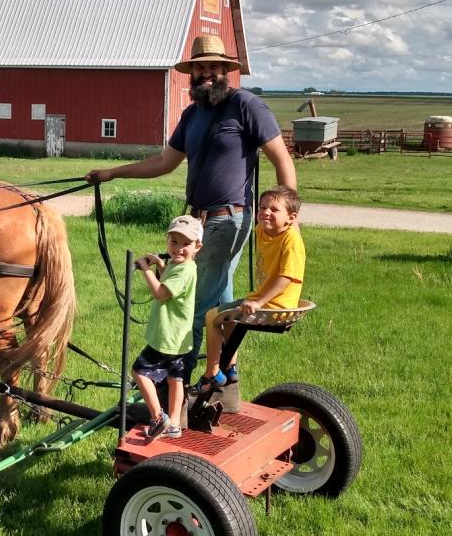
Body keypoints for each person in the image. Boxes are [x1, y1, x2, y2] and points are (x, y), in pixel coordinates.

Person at [86, 34, 297, 381]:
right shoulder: (192, 115)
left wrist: (290, 215)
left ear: (226, 70)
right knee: (220, 304)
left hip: (229, 220)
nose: (207, 73)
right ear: (192, 73)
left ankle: (178, 384)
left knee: (195, 306)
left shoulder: (245, 105)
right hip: (197, 224)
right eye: (201, 67)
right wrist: (111, 173)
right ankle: (225, 376)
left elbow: (281, 159)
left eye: (214, 66)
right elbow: (164, 162)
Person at [192, 186, 305, 393]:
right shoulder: (262, 230)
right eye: (262, 207)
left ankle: (212, 372)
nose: (265, 213)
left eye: (274, 209)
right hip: (263, 300)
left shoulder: (291, 240)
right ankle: (230, 366)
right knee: (228, 317)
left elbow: (286, 278)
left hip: (275, 304)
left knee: (211, 317)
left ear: (291, 218)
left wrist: (258, 302)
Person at [131, 215, 202, 440]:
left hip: (167, 337)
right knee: (175, 378)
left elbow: (161, 293)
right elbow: (170, 281)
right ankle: (173, 424)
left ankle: (157, 417)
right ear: (167, 240)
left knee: (139, 372)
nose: (178, 248)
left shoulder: (184, 270)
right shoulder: (180, 265)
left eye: (186, 244)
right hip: (179, 338)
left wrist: (146, 270)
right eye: (174, 242)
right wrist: (160, 264)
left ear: (197, 247)